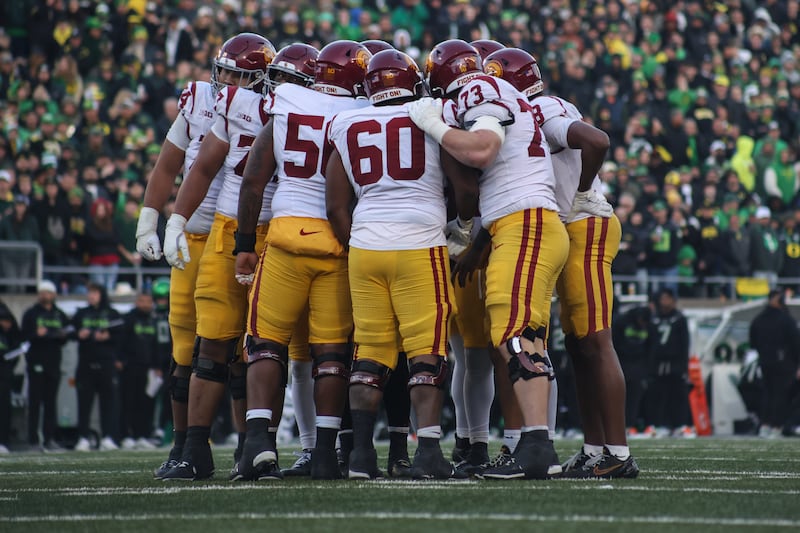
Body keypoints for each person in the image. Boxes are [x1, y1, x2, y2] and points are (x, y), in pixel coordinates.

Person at [410, 39, 568, 479]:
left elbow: (482, 148)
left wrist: (434, 126)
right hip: (523, 224)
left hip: (526, 223)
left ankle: (536, 446)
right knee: (525, 337)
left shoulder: (476, 89)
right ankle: (536, 442)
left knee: (513, 334)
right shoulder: (501, 92)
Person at [482, 47, 638, 478]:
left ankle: (618, 453)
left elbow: (597, 139)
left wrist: (582, 193)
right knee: (578, 345)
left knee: (594, 340)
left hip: (583, 223)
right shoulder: (537, 106)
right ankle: (595, 448)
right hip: (569, 226)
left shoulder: (539, 108)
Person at [326, 49, 477, 479]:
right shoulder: (429, 115)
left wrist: (357, 243)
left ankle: (359, 457)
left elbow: (336, 204)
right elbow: (465, 189)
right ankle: (428, 451)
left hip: (366, 246)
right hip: (420, 243)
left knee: (370, 351)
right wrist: (461, 229)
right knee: (426, 352)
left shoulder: (348, 122)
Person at [233, 40, 371, 481]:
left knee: (265, 342)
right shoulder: (361, 113)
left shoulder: (287, 102)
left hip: (287, 234)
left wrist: (243, 243)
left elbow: (254, 181)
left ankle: (258, 442)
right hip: (336, 240)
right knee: (331, 354)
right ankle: (326, 452)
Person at [135, 32, 271, 480]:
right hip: (195, 237)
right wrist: (151, 219)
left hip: (234, 233)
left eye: (237, 73)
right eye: (224, 69)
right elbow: (171, 163)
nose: (226, 79)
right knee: (185, 350)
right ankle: (184, 447)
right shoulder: (197, 99)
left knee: (239, 352)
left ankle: (244, 448)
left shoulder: (271, 108)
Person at [73, 283, 123, 452]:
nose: (91, 296)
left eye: (94, 292)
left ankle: (108, 437)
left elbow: (122, 335)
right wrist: (79, 334)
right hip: (85, 364)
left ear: (101, 294)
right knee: (83, 403)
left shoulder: (112, 313)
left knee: (108, 402)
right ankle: (83, 438)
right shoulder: (81, 313)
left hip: (106, 364)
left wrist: (108, 336)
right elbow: (69, 330)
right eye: (89, 292)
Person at [20, 280, 69, 450]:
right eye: (42, 292)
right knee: (35, 402)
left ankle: (49, 439)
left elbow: (65, 337)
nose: (45, 295)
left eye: (48, 292)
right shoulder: (31, 314)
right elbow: (23, 337)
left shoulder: (59, 314)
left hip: (54, 362)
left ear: (53, 295)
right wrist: (36, 334)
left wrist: (61, 335)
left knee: (50, 403)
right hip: (36, 362)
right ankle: (33, 440)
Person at [749, 289, 800, 437]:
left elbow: (753, 343)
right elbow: (796, 343)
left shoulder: (758, 319)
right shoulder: (786, 320)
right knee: (781, 395)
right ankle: (776, 426)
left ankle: (765, 425)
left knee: (767, 394)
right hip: (784, 364)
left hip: (765, 362)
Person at [118, 291, 161, 449]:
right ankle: (125, 435)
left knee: (145, 404)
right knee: (128, 402)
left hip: (147, 368)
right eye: (142, 301)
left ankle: (141, 434)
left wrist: (156, 366)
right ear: (137, 302)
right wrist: (120, 359)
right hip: (130, 366)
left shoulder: (152, 320)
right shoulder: (128, 319)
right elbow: (121, 341)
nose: (145, 304)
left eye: (148, 301)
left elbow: (156, 345)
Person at [648, 288, 691, 436]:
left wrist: (684, 367)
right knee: (658, 396)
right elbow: (650, 342)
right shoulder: (653, 319)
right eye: (662, 298)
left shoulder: (680, 319)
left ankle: (679, 425)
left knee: (677, 395)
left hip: (675, 364)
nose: (664, 301)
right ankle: (659, 425)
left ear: (673, 300)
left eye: (667, 298)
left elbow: (685, 344)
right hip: (658, 364)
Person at [0, 299, 23, 454]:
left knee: (3, 407)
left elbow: (17, 341)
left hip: (4, 371)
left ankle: (3, 441)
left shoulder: (5, 311)